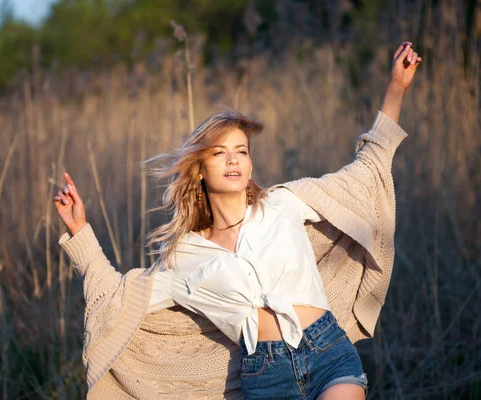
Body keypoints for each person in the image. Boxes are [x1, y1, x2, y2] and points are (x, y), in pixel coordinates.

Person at [54, 42, 421, 399]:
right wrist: (80, 231)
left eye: (241, 152)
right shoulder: (184, 255)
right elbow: (120, 299)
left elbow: (366, 170)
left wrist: (396, 88)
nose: (233, 160)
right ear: (199, 169)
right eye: (220, 153)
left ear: (249, 164)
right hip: (265, 375)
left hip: (327, 351)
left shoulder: (284, 203)